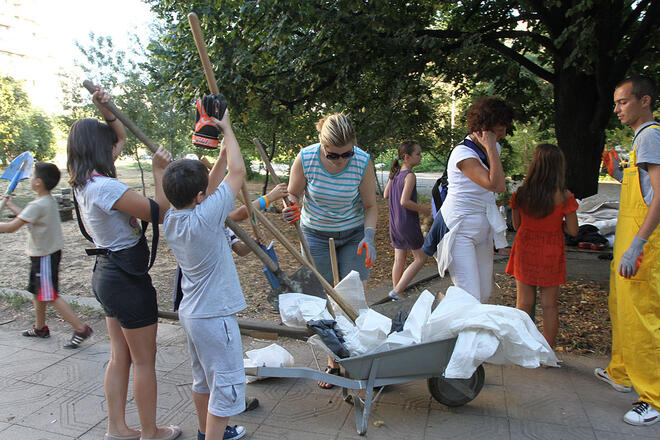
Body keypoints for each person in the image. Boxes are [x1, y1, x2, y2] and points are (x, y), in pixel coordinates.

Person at [67, 86, 180, 440]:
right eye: (109, 145)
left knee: (121, 356)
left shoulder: (84, 182)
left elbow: (119, 135)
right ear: (98, 149)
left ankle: (117, 428)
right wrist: (159, 170)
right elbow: (159, 212)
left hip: (107, 274)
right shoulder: (105, 188)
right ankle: (150, 432)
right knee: (144, 359)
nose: (116, 148)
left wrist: (107, 110)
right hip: (126, 279)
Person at [162, 108, 248, 440]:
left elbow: (212, 183)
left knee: (203, 381)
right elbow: (238, 173)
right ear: (200, 198)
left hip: (192, 315)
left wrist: (224, 148)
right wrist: (227, 126)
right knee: (225, 389)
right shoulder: (205, 218)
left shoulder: (173, 218)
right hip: (214, 317)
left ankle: (204, 432)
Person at [283, 112, 377, 389]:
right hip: (315, 233)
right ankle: (333, 360)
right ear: (322, 145)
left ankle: (358, 355)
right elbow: (292, 193)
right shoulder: (307, 157)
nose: (339, 161)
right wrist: (291, 207)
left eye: (345, 154)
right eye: (332, 155)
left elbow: (371, 206)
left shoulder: (362, 161)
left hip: (354, 234)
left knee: (353, 296)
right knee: (321, 299)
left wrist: (369, 237)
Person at [595, 75, 660, 426]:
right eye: (616, 103)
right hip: (631, 238)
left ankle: (653, 397)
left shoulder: (650, 135)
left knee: (642, 318)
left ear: (644, 101)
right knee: (621, 307)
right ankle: (620, 372)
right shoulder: (640, 140)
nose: (617, 108)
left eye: (623, 102)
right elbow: (645, 190)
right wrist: (620, 173)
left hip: (645, 243)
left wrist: (637, 246)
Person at [422, 97, 513, 303]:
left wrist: (492, 147)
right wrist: (490, 147)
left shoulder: (494, 148)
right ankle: (448, 318)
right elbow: (497, 185)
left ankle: (450, 312)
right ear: (484, 127)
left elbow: (498, 184)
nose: (504, 134)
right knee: (469, 296)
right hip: (459, 230)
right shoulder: (462, 154)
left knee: (484, 294)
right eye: (500, 128)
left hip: (483, 228)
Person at [0, 163, 93, 348]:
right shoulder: (46, 200)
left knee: (49, 295)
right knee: (37, 292)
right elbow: (27, 218)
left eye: (32, 176)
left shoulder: (38, 204)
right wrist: (10, 204)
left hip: (44, 257)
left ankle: (81, 328)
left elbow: (12, 227)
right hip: (45, 254)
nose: (30, 179)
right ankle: (40, 327)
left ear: (38, 182)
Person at [504, 144, 578, 348]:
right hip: (551, 251)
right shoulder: (564, 196)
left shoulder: (521, 194)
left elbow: (517, 226)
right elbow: (573, 230)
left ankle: (521, 346)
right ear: (558, 167)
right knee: (549, 305)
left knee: (524, 303)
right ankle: (547, 350)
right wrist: (556, 223)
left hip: (526, 248)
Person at [383, 141, 430, 301]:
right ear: (407, 157)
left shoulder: (395, 174)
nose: (421, 156)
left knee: (399, 258)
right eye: (418, 154)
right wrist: (423, 209)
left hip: (394, 224)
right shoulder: (409, 176)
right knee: (420, 258)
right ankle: (397, 291)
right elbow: (404, 201)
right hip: (407, 223)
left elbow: (385, 195)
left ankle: (397, 292)